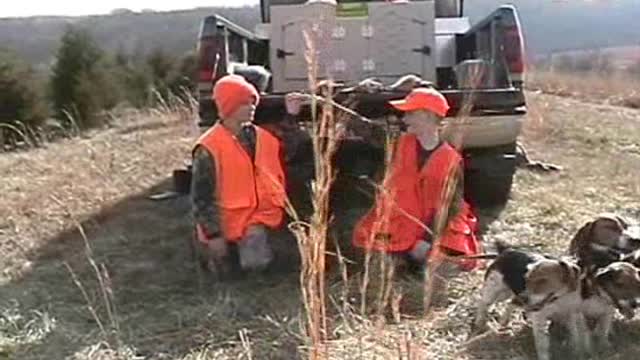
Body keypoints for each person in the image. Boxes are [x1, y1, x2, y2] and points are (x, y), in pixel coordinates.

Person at [351, 87, 481, 272]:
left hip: (435, 226)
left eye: (410, 114)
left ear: (427, 116)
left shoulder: (451, 160)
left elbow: (449, 206)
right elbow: (368, 129)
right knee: (375, 253)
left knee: (445, 262)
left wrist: (425, 241)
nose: (404, 119)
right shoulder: (400, 143)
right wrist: (324, 104)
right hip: (402, 221)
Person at [191, 74, 296, 278]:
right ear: (230, 107)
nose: (252, 106)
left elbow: (289, 146)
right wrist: (214, 236)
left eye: (253, 102)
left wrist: (292, 115)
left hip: (265, 219)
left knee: (281, 259)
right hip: (230, 223)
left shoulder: (262, 137)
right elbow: (201, 199)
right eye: (245, 103)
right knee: (234, 274)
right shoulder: (209, 147)